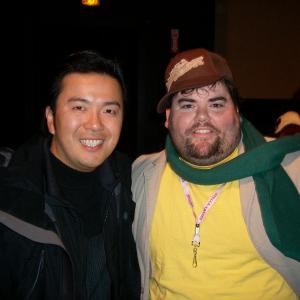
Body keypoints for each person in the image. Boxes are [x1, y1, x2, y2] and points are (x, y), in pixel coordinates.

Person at [132, 48, 300, 300]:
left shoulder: (289, 170)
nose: (202, 118)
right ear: (168, 117)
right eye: (188, 105)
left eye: (216, 104)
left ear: (237, 112)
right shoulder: (141, 175)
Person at [0, 50, 140, 299]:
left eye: (109, 111)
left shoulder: (125, 178)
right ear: (51, 119)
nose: (95, 124)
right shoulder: (11, 201)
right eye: (79, 107)